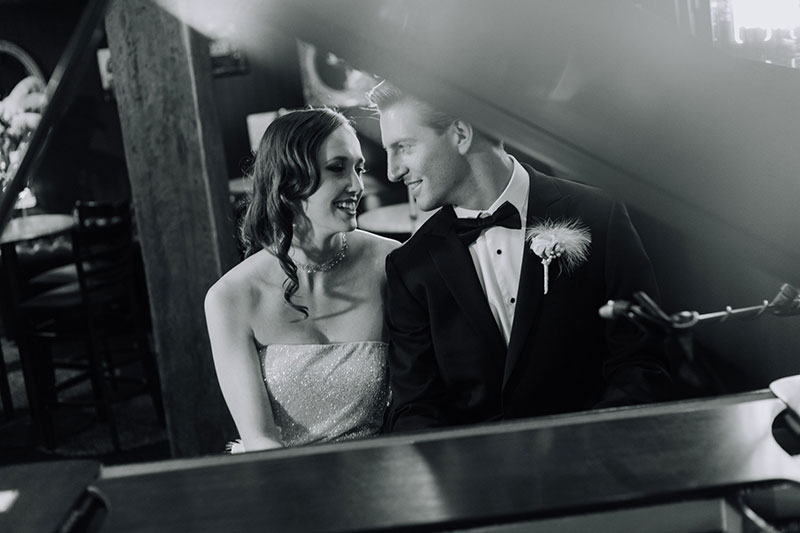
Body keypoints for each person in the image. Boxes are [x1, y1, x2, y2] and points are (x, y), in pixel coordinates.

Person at [367, 81, 672, 433]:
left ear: (461, 134)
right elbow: (416, 408)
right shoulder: (410, 267)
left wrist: (593, 445)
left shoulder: (598, 215)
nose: (392, 171)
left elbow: (643, 359)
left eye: (403, 147)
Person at [204, 108, 398, 451]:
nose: (356, 185)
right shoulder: (230, 298)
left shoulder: (389, 264)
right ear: (288, 181)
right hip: (284, 477)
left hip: (379, 466)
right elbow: (259, 437)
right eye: (337, 168)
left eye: (359, 168)